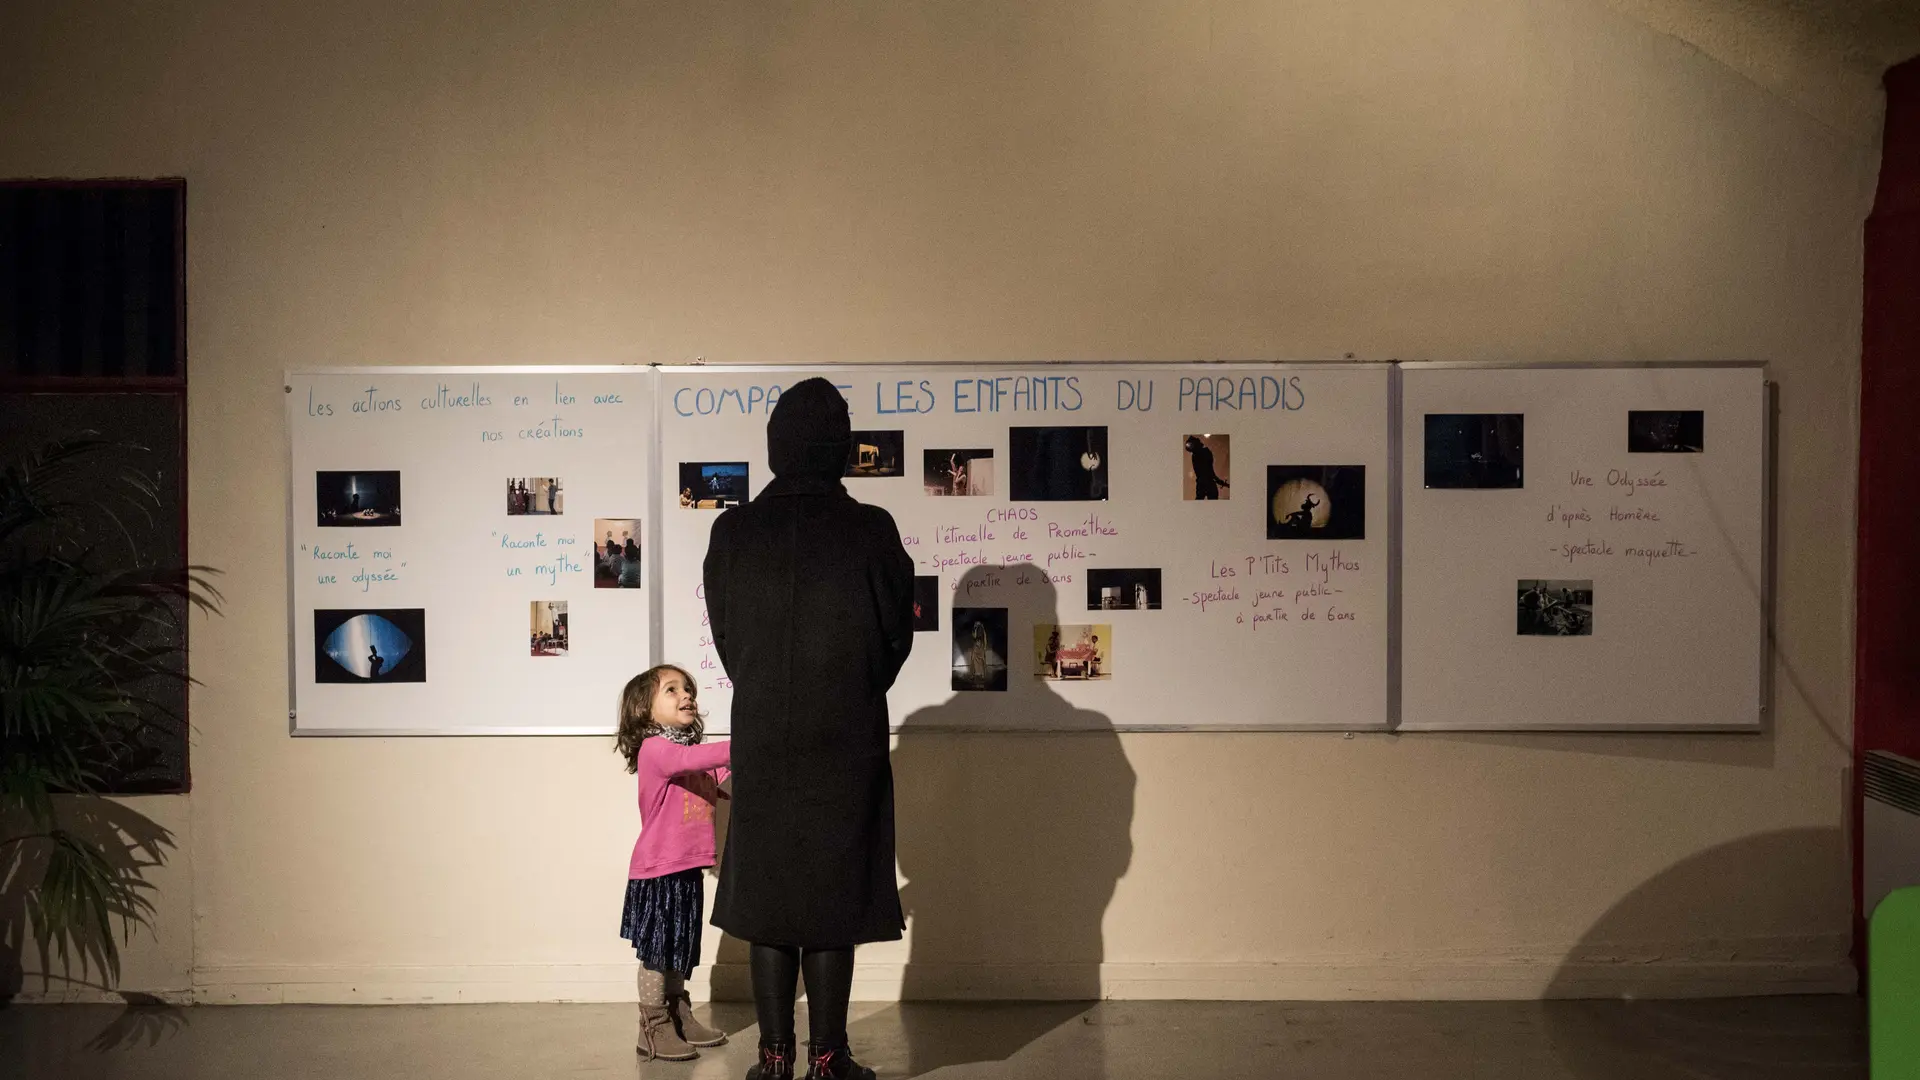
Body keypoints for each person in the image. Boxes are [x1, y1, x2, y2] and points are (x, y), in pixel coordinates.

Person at [702, 378, 914, 1080]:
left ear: (777, 445)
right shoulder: (871, 529)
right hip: (846, 731)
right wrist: (850, 689)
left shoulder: (733, 531)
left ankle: (772, 1057)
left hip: (763, 729)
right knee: (831, 892)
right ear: (841, 448)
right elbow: (893, 638)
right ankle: (828, 1057)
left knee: (768, 896)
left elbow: (728, 636)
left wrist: (770, 687)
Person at [615, 665, 733, 1062]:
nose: (686, 695)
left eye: (688, 688)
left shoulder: (689, 755)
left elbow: (722, 776)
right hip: (658, 869)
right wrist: (748, 739)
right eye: (671, 690)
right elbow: (704, 756)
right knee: (657, 951)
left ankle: (678, 1012)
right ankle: (652, 1025)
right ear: (644, 711)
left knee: (681, 947)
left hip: (687, 868)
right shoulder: (657, 749)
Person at [1185, 435, 1229, 500]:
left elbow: (1210, 471)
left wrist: (1220, 482)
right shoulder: (1197, 455)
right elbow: (1210, 472)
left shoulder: (1203, 453)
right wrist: (1220, 482)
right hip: (1204, 484)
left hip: (1205, 484)